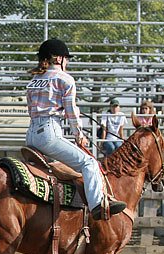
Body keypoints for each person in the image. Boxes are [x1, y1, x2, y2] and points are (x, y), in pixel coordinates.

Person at [25, 38, 125, 220]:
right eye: (66, 58)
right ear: (58, 59)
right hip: (49, 133)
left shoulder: (34, 80)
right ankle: (98, 205)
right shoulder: (65, 79)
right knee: (89, 163)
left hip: (31, 135)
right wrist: (79, 135)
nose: (68, 62)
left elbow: (31, 108)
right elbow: (71, 110)